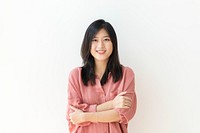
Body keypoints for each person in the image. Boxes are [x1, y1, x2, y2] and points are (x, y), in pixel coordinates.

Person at [66, 19, 137, 133]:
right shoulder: (76, 76)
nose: (100, 45)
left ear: (113, 43)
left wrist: (85, 116)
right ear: (87, 44)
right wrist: (112, 104)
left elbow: (121, 114)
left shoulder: (126, 75)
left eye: (106, 39)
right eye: (94, 40)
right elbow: (73, 115)